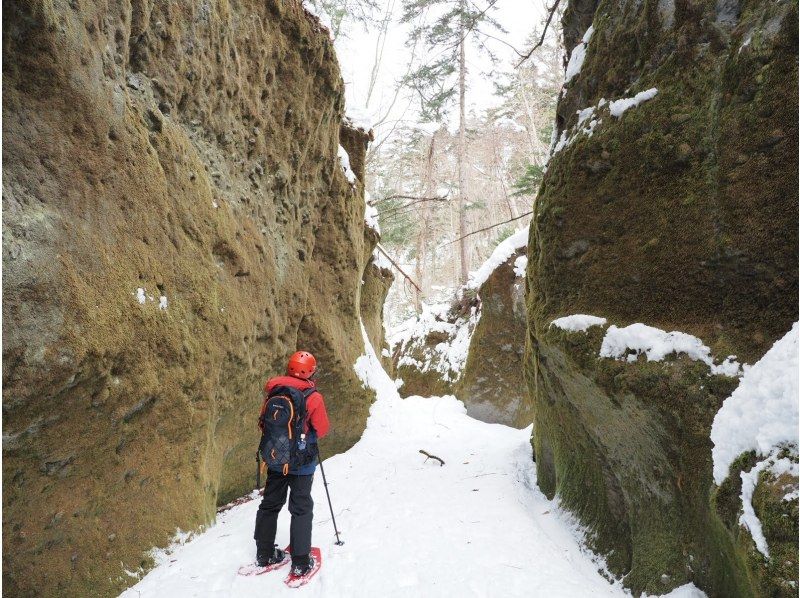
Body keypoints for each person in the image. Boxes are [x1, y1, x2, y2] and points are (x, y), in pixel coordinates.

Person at [253, 350, 330, 577]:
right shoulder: (313, 397)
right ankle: (300, 562)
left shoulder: (274, 391)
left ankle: (264, 554)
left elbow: (263, 424)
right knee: (301, 508)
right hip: (302, 462)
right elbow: (322, 429)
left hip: (276, 458)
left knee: (270, 504)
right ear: (310, 371)